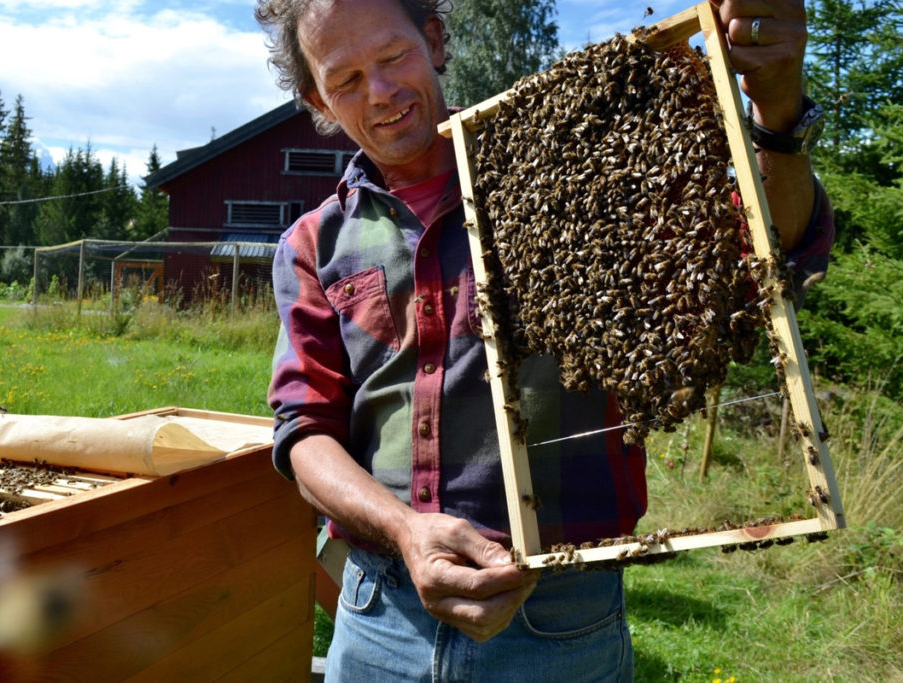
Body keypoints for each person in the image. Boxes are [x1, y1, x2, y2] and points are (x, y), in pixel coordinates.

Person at [257, 0, 834, 679]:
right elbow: (304, 431)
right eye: (346, 79)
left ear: (435, 40)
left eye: (392, 58)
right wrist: (407, 532)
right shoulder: (312, 243)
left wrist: (777, 113)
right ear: (315, 96)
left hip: (559, 615)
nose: (379, 92)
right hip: (380, 611)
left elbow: (768, 253)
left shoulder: (573, 171)